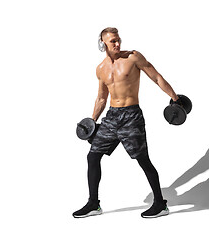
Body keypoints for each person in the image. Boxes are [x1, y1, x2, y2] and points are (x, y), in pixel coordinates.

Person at [73, 27, 180, 218]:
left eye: (118, 39)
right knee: (92, 157)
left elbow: (156, 77)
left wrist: (175, 99)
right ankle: (93, 204)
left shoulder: (133, 58)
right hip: (112, 117)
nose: (117, 43)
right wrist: (92, 121)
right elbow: (101, 98)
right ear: (102, 44)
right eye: (113, 41)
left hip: (131, 116)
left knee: (143, 160)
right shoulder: (101, 69)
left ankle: (160, 204)